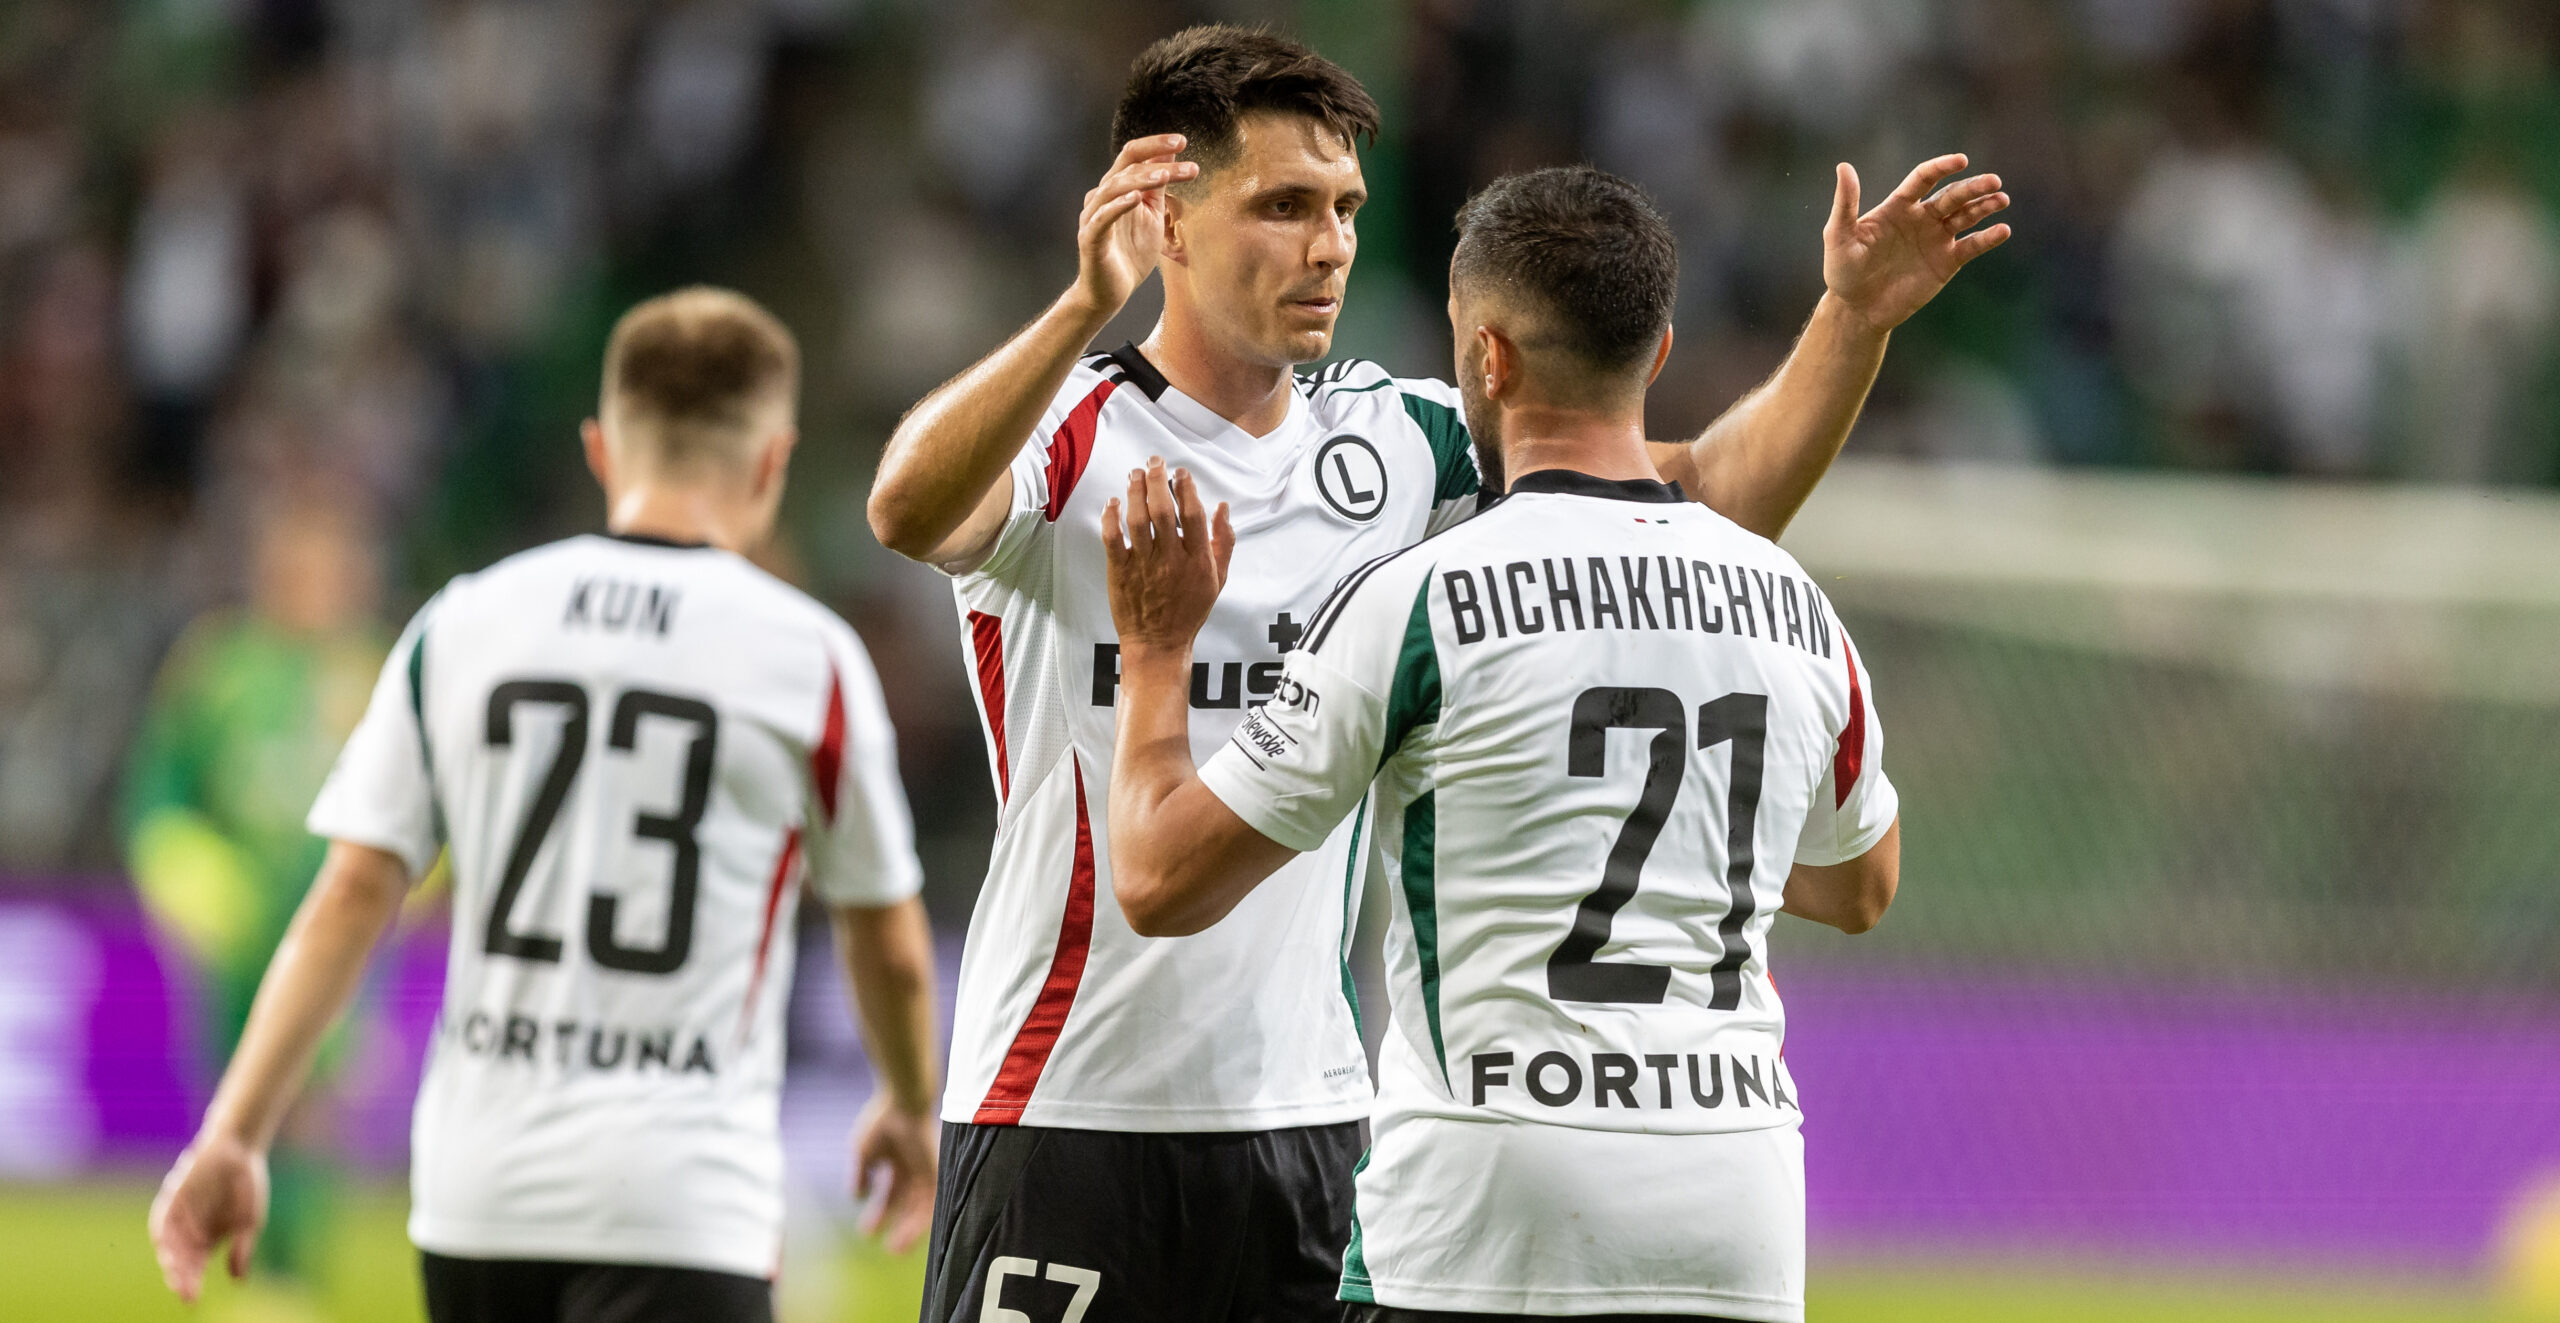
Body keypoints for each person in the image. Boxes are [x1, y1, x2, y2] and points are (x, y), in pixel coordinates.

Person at [866, 26, 1998, 1319]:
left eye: (1344, 208)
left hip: (1315, 1118)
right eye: (1284, 206)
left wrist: (1849, 322)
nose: (1329, 245)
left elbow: (1694, 501)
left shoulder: (1401, 441)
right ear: (1164, 220)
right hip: (1068, 1104)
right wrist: (1083, 304)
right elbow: (907, 509)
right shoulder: (1070, 427)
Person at [1101, 164, 1900, 1323]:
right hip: (1737, 1208)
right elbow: (1858, 886)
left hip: (1486, 1212)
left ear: (1487, 356)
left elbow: (1160, 878)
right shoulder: (1796, 607)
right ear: (1658, 356)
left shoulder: (1419, 600)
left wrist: (1156, 654)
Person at [147, 287, 942, 1323]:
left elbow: (350, 895)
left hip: (479, 1197)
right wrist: (910, 1104)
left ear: (601, 450)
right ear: (771, 463)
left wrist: (235, 1133)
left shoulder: (462, 623)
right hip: (681, 1200)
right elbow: (886, 941)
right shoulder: (810, 658)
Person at [123, 493, 390, 1309]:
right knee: (240, 1099)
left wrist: (416, 881)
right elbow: (159, 792)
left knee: (308, 1099)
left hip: (333, 926)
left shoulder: (371, 674)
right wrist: (186, 867)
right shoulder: (218, 669)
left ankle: (286, 1280)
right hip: (242, 933)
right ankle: (267, 1273)